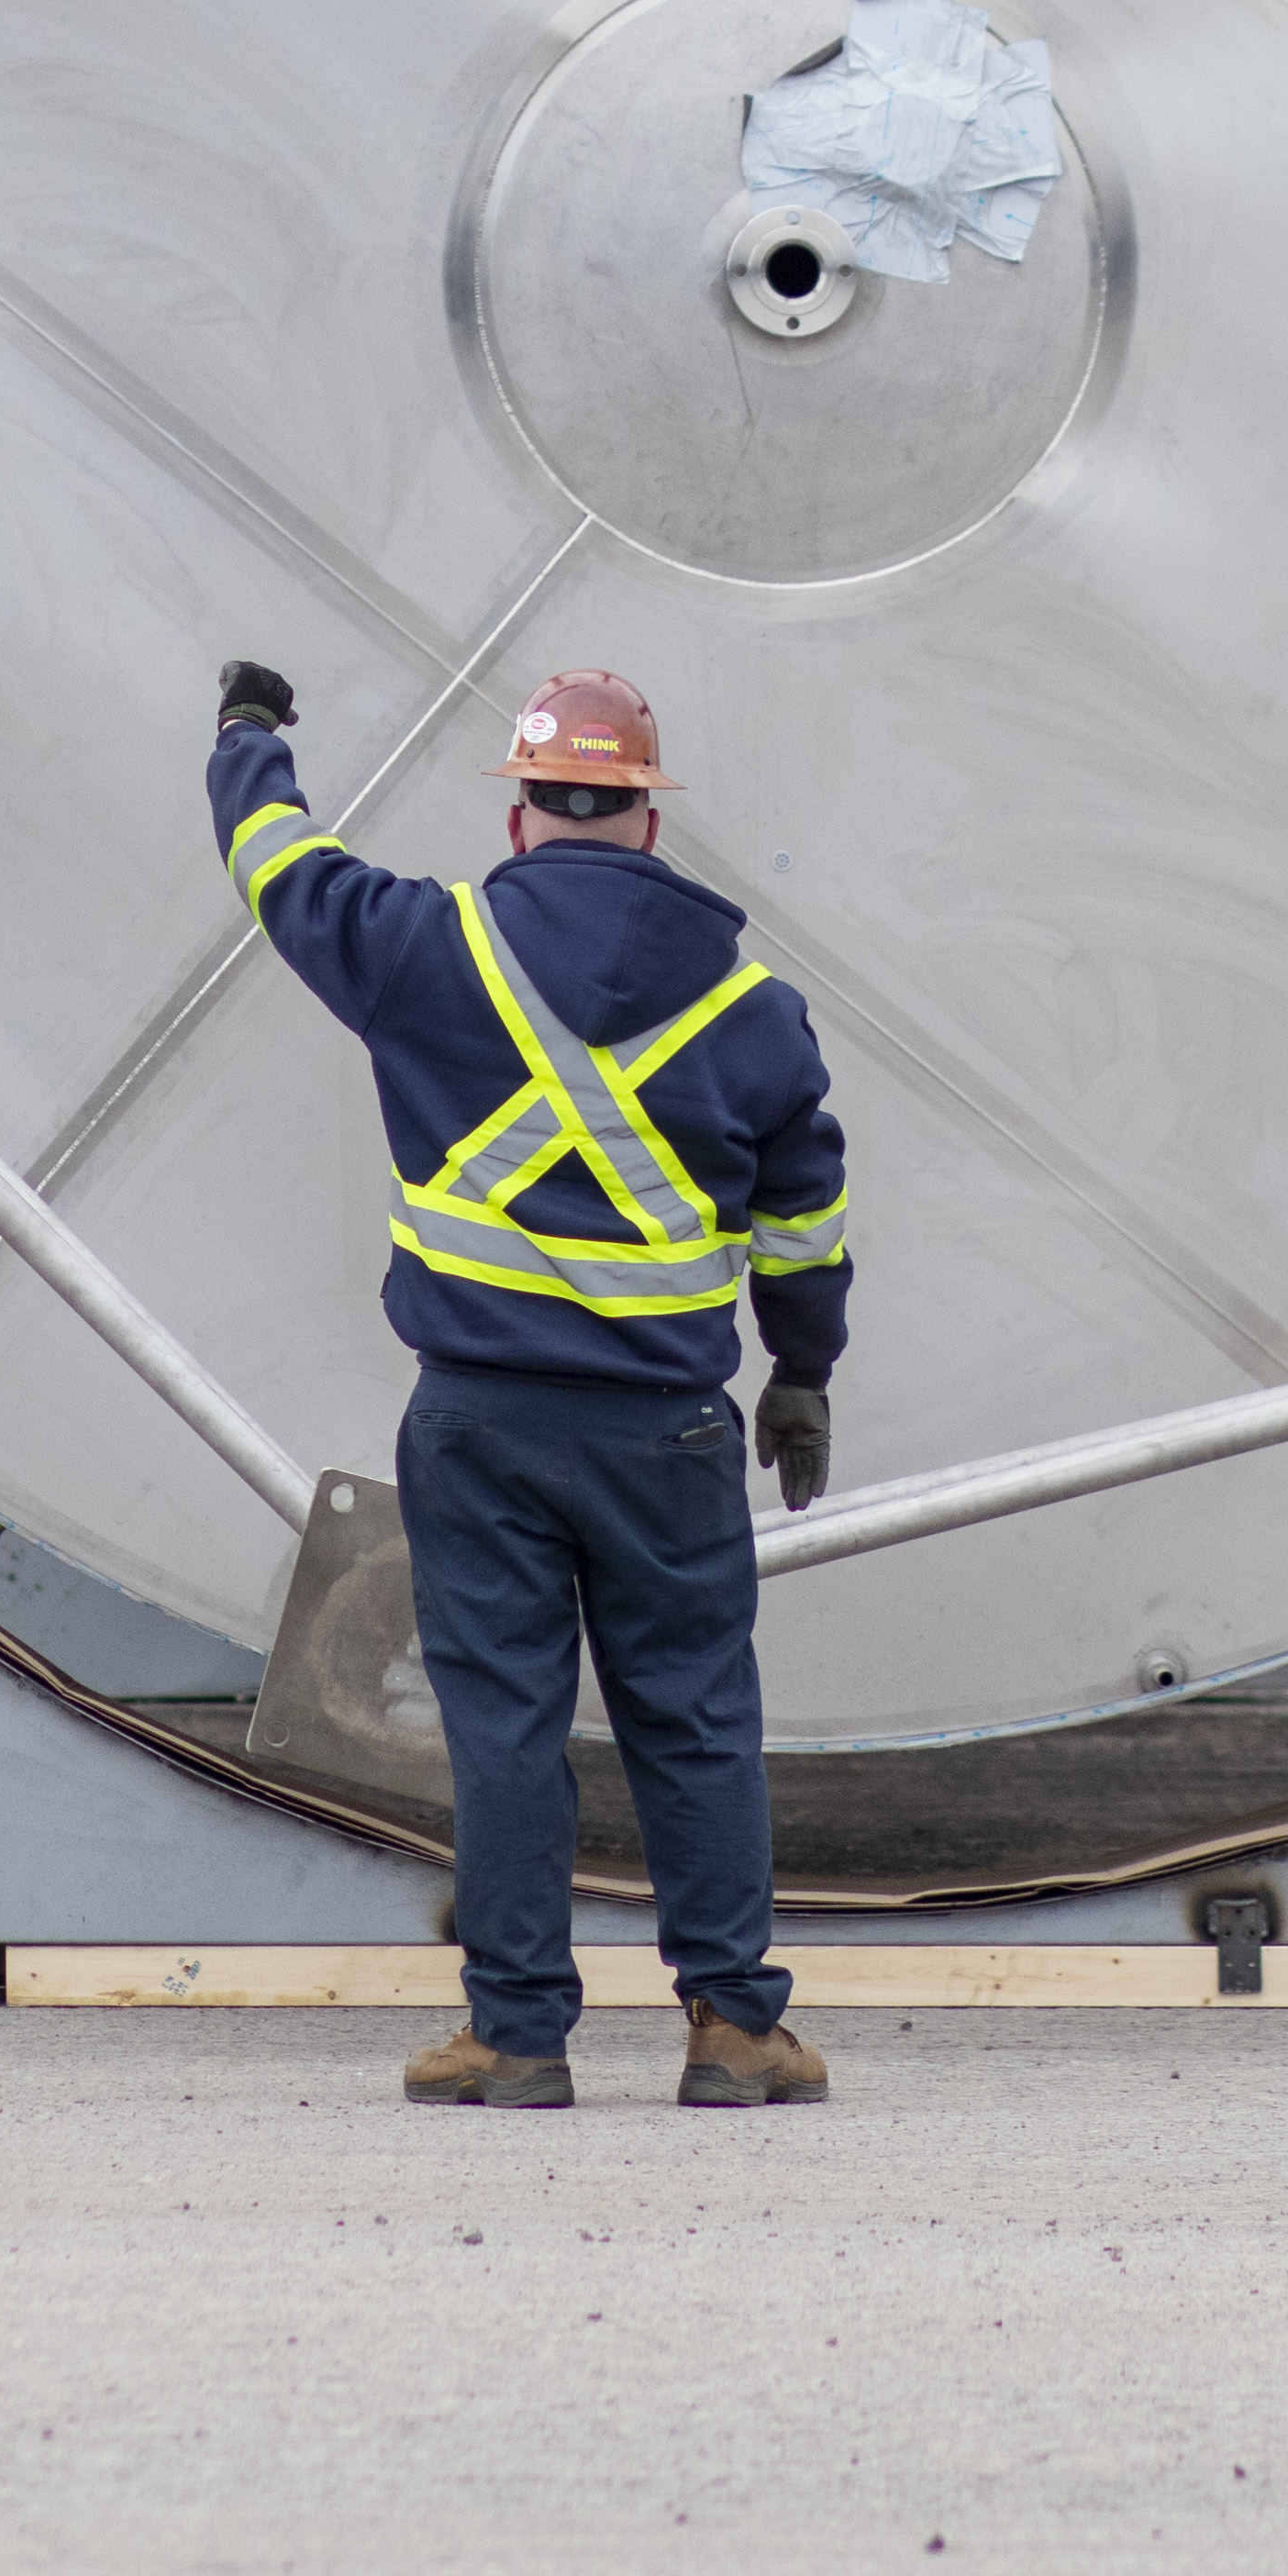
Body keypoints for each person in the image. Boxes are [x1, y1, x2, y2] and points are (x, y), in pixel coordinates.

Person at [209, 657, 852, 2113]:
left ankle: (515, 2040)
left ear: (520, 815)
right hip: (669, 1432)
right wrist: (802, 1372)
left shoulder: (421, 949)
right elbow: (805, 1219)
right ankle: (738, 2031)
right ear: (646, 817)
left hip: (481, 1419)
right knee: (692, 1717)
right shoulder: (756, 1012)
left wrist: (250, 735)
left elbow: (275, 865)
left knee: (501, 1723)